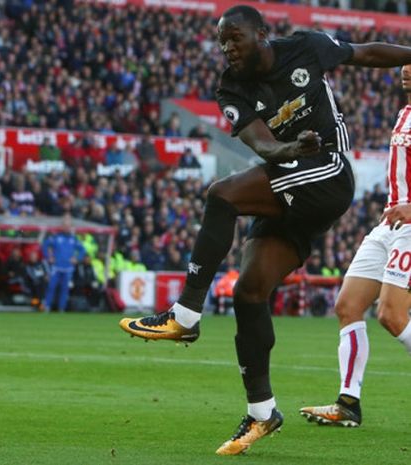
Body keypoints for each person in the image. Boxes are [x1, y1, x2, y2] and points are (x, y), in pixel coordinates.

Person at [119, 5, 411, 455]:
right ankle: (261, 413)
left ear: (261, 33)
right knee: (249, 292)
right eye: (222, 41)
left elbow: (366, 53)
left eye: (235, 38)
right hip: (290, 171)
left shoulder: (305, 47)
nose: (228, 48)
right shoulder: (231, 86)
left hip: (328, 170)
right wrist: (289, 146)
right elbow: (260, 143)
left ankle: (185, 316)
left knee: (221, 195)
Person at [300, 64, 411, 428]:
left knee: (391, 316)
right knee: (347, 306)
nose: (406, 68)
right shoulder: (404, 112)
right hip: (388, 224)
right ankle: (348, 403)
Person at [40, 214, 85, 312]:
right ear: (62, 226)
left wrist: (76, 258)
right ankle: (47, 306)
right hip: (56, 267)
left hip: (68, 268)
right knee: (51, 286)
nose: (67, 227)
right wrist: (49, 257)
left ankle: (62, 308)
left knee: (65, 289)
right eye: (65, 225)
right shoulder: (56, 237)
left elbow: (82, 250)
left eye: (68, 226)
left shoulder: (73, 239)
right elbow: (44, 246)